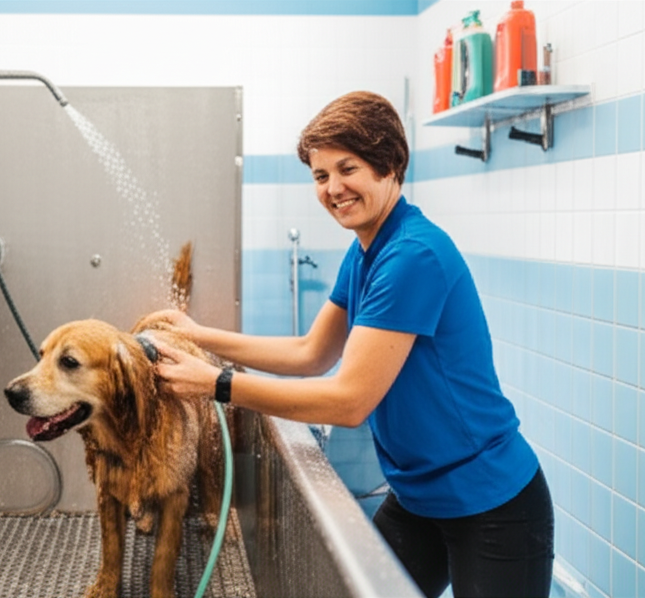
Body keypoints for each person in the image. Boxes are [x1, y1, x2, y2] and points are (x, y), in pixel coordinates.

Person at [150, 91, 554, 598]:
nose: (333, 188)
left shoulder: (412, 255)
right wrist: (196, 334)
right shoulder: (367, 249)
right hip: (420, 497)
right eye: (321, 176)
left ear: (388, 164)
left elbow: (349, 401)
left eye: (348, 169)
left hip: (491, 503)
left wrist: (218, 384)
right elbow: (311, 353)